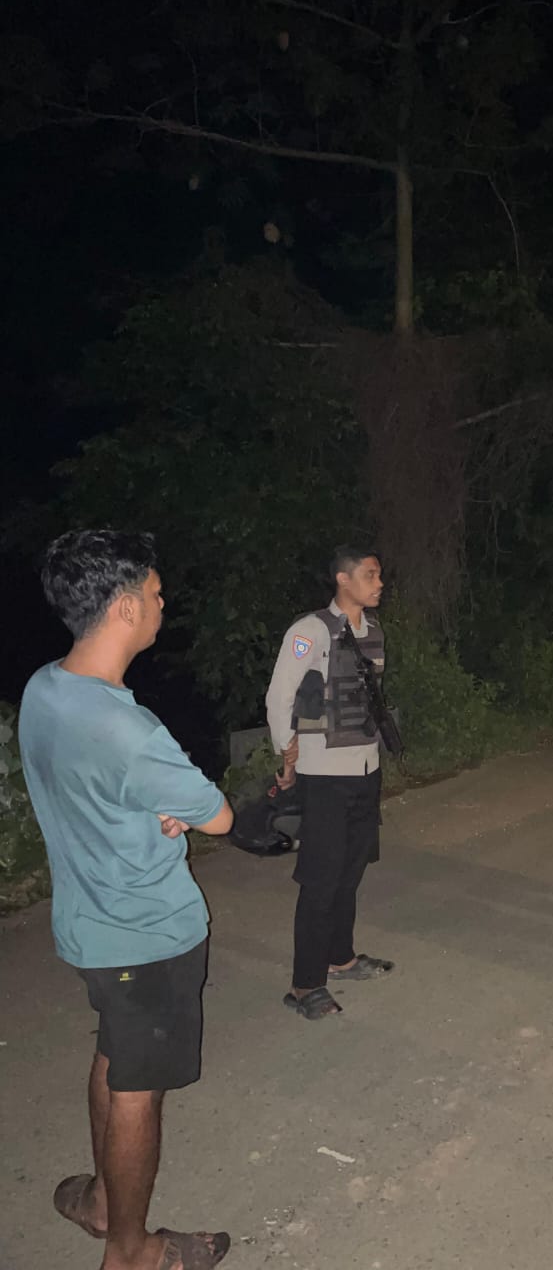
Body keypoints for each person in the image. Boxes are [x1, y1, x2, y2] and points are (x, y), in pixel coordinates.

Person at [18, 530, 235, 1270]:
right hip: (148, 937)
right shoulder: (129, 729)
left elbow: (91, 790)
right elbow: (219, 816)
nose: (162, 605)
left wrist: (149, 806)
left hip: (88, 927)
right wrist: (173, 806)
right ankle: (132, 1251)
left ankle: (102, 1202)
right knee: (139, 1088)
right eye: (155, 593)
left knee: (115, 1052)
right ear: (123, 607)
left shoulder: (45, 689)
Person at [265, 544, 394, 1022]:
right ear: (343, 579)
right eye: (370, 575)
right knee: (321, 880)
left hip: (365, 769)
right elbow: (279, 696)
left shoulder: (371, 630)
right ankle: (304, 984)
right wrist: (287, 753)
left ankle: (341, 958)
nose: (379, 583)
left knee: (351, 870)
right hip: (323, 776)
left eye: (379, 575)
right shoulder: (309, 631)